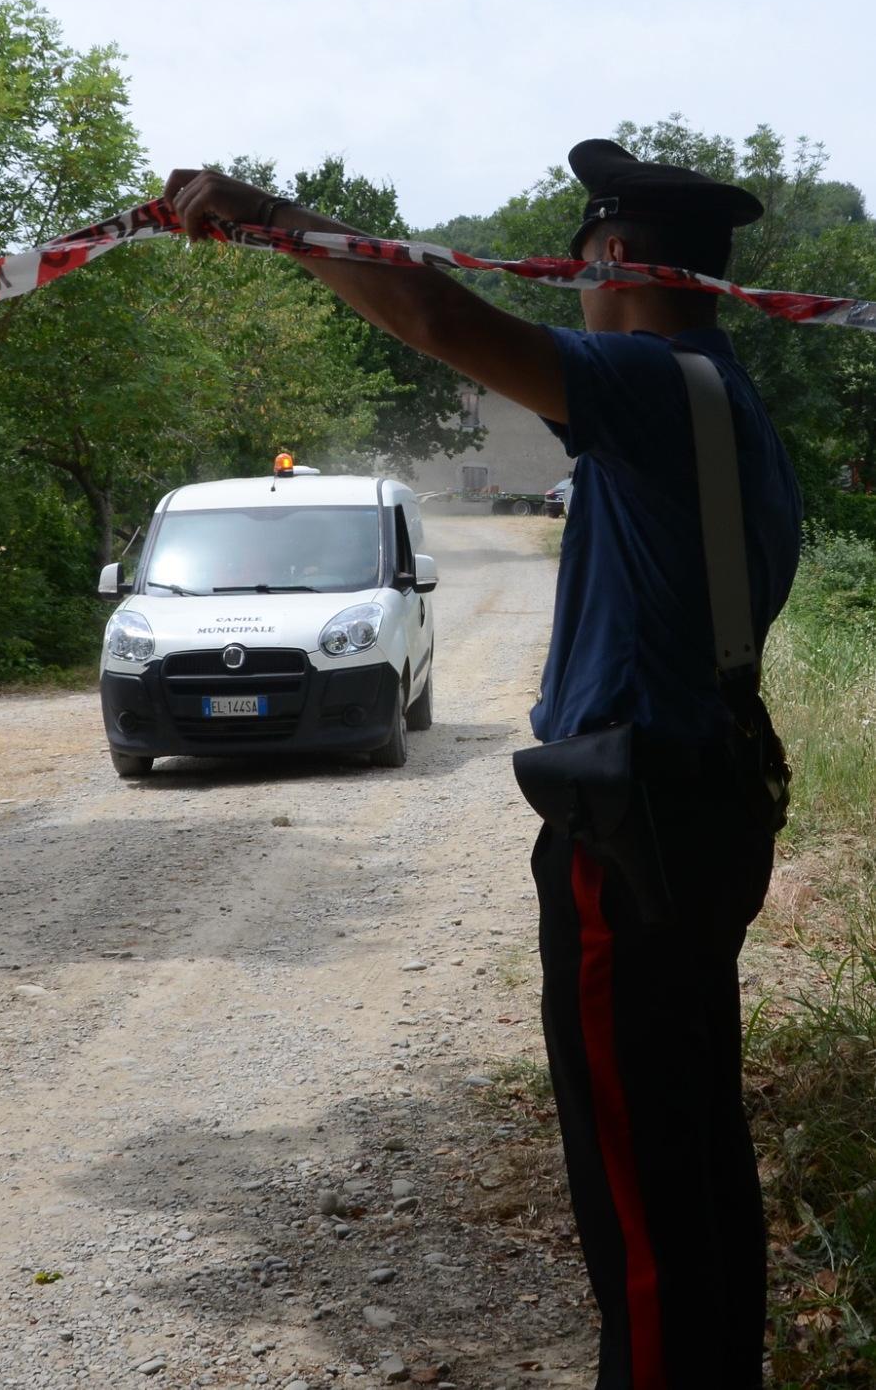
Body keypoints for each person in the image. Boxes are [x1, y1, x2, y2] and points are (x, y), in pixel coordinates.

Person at [166, 141, 801, 1389]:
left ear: (614, 260)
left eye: (578, 267)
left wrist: (268, 219)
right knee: (688, 1149)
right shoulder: (727, 404)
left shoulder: (645, 383)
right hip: (700, 806)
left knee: (636, 1180)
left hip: (633, 830)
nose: (573, 291)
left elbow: (431, 314)